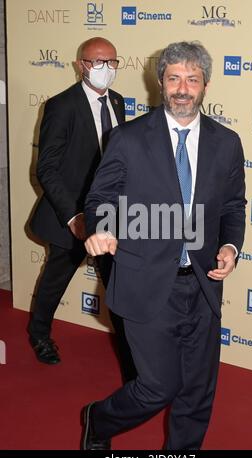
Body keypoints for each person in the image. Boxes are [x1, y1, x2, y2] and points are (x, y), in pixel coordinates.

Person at [82, 41, 246, 450]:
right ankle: (98, 420)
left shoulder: (226, 143)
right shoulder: (129, 138)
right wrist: (103, 227)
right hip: (145, 281)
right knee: (158, 387)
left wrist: (230, 246)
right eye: (174, 78)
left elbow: (233, 206)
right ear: (160, 83)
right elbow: (100, 198)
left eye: (192, 79)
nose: (182, 88)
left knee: (197, 391)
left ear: (206, 84)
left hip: (203, 285)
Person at [28, 37, 136, 382]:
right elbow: (47, 168)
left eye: (112, 62)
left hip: (109, 214)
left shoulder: (118, 102)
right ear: (81, 65)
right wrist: (74, 216)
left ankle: (132, 348)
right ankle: (39, 334)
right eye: (97, 62)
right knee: (55, 279)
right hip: (71, 215)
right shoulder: (62, 105)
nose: (105, 69)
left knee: (117, 281)